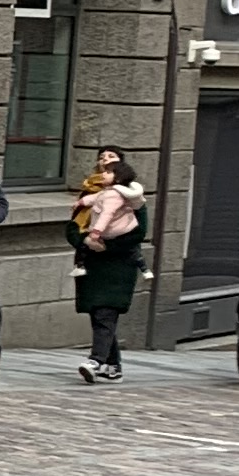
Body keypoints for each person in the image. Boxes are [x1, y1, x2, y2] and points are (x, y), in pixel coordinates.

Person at [69, 145, 147, 382]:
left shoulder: (132, 199)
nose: (105, 162)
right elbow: (72, 227)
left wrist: (106, 246)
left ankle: (96, 361)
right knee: (98, 314)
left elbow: (138, 232)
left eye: (111, 158)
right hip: (91, 264)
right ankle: (113, 366)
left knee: (105, 313)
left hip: (118, 265)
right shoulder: (88, 194)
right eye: (102, 158)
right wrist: (84, 241)